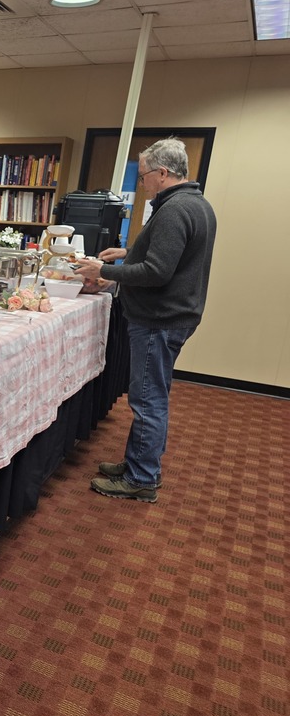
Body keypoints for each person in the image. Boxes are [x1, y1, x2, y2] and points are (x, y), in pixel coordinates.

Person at [74, 138, 217, 503]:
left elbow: (157, 271)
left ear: (163, 173)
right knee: (153, 395)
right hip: (173, 316)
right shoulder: (196, 203)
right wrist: (129, 251)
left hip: (159, 319)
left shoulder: (173, 210)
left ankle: (141, 477)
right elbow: (172, 255)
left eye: (143, 175)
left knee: (148, 400)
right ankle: (140, 463)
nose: (141, 183)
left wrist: (103, 270)